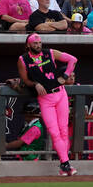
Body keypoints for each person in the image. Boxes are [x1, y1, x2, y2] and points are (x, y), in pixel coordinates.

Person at [17, 34, 79, 176]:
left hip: (60, 93)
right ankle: (66, 164)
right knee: (54, 131)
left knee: (63, 130)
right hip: (45, 98)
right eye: (35, 43)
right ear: (28, 45)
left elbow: (72, 60)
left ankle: (65, 164)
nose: (38, 45)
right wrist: (36, 84)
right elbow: (25, 80)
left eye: (39, 42)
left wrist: (65, 76)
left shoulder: (49, 53)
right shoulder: (23, 59)